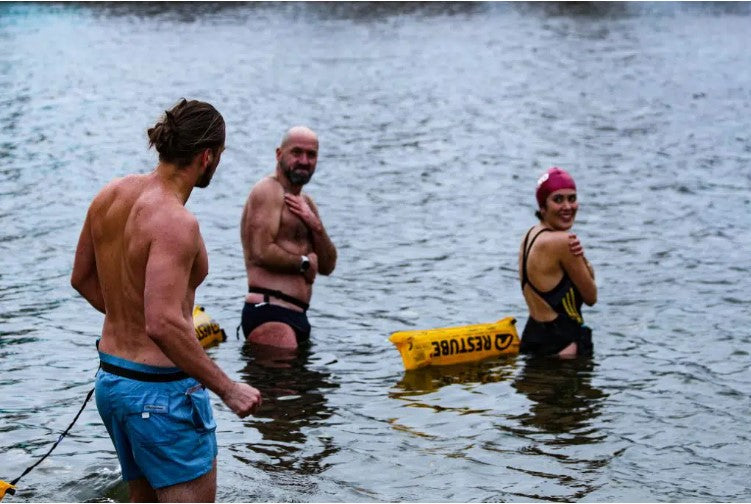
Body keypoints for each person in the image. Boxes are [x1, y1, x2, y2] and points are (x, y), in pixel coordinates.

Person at [71, 99, 262, 503]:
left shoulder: (110, 195)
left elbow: (82, 279)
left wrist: (128, 318)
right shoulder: (176, 221)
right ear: (207, 156)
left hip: (114, 383)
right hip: (161, 395)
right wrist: (228, 388)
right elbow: (162, 323)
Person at [240, 126, 337, 351]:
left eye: (311, 155)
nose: (304, 160)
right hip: (271, 314)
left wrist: (316, 227)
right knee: (281, 385)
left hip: (297, 317)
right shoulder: (268, 191)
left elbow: (328, 266)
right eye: (297, 152)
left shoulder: (306, 203)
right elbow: (260, 251)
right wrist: (303, 263)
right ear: (279, 154)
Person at [517, 167, 597, 358]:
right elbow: (591, 296)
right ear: (543, 206)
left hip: (533, 336)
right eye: (558, 199)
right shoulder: (563, 242)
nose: (567, 207)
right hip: (564, 347)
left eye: (572, 198)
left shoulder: (531, 235)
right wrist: (582, 258)